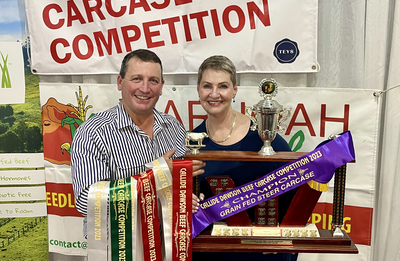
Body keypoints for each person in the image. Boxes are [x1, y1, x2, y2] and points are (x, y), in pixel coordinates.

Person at [71, 49, 205, 240]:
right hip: (119, 249)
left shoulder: (173, 127)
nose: (145, 88)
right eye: (136, 79)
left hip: (169, 246)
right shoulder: (93, 132)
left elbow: (181, 186)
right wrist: (156, 176)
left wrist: (191, 196)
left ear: (161, 86)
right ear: (120, 82)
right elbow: (87, 201)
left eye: (153, 80)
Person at [191, 55, 298, 261]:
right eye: (207, 86)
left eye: (222, 86)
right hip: (212, 252)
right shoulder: (192, 142)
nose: (214, 94)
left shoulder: (265, 138)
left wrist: (281, 241)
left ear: (234, 90)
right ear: (198, 89)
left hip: (260, 253)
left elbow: (292, 196)